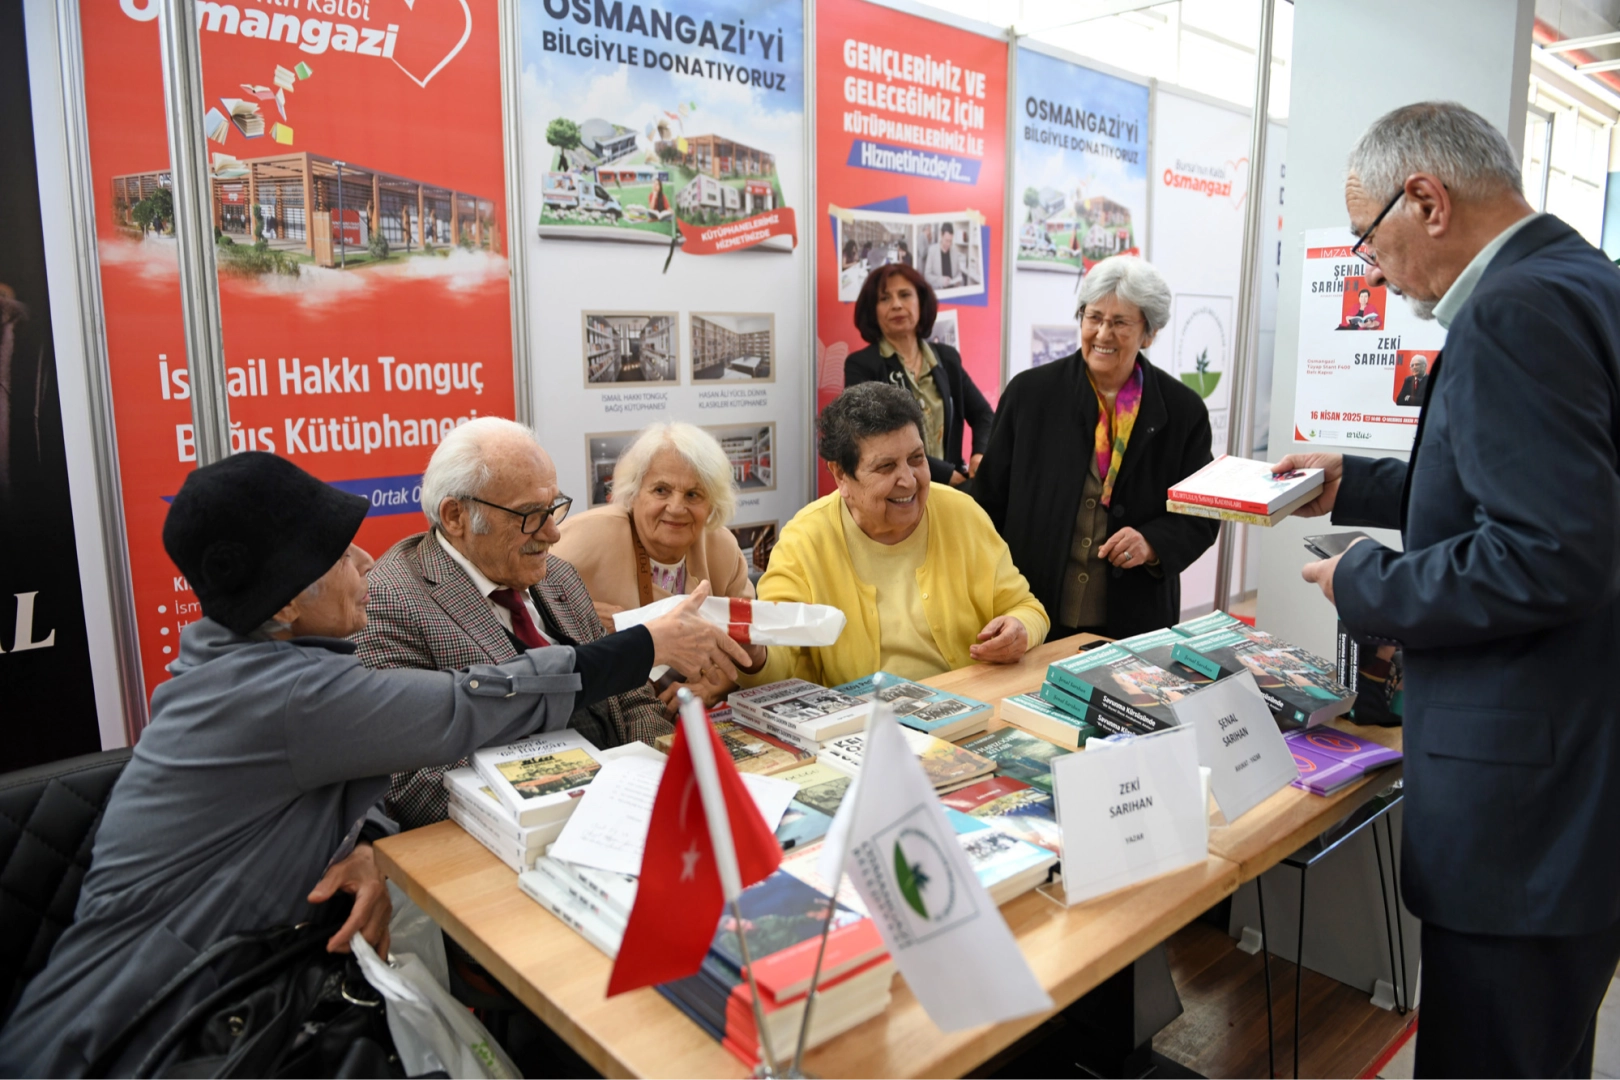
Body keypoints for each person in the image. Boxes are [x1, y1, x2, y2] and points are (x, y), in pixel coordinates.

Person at [0, 452, 741, 1079]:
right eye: (338, 554)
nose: (365, 562)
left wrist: (357, 844)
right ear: (287, 600)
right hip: (131, 1038)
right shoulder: (287, 693)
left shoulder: (243, 665)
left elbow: (299, 788)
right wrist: (649, 645)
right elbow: (473, 706)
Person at [1277, 102, 1620, 1080]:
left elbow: (1552, 551)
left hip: (1520, 818)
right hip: (1576, 788)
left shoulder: (1514, 311)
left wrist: (1366, 582)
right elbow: (1556, 480)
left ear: (1424, 200)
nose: (1368, 267)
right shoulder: (1582, 280)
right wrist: (1363, 477)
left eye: (1365, 237)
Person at [353, 417, 741, 830]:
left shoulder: (555, 576)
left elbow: (631, 699)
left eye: (553, 507)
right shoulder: (390, 601)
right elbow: (410, 783)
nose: (554, 534)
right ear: (455, 516)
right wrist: (582, 796)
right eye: (529, 515)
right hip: (521, 834)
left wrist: (654, 779)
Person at [974, 255, 1218, 640]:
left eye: (1120, 322)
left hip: (1134, 620)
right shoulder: (1031, 395)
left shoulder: (1182, 411)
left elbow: (1201, 516)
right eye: (1093, 317)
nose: (1103, 333)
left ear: (1149, 333)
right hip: (1033, 613)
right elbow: (988, 501)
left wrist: (1153, 542)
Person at [740, 382, 1047, 687]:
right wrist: (755, 655)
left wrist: (1020, 628)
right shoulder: (804, 541)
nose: (909, 480)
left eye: (916, 459)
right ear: (840, 475)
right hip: (865, 725)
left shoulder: (962, 513)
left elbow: (1027, 608)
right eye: (886, 467)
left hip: (971, 707)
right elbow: (780, 659)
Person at [553, 421, 754, 710]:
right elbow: (522, 605)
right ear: (633, 494)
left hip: (684, 719)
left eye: (693, 495)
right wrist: (577, 616)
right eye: (661, 490)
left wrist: (716, 685)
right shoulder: (589, 536)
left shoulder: (720, 547)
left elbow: (749, 641)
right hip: (602, 714)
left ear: (712, 503)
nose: (675, 507)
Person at [842, 263, 994, 487]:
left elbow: (984, 416)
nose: (896, 305)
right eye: (884, 298)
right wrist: (946, 474)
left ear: (921, 303)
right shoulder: (862, 366)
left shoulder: (947, 359)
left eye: (905, 295)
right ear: (872, 310)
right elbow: (878, 439)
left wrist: (979, 455)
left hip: (952, 490)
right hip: (895, 489)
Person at [922, 221, 963, 290]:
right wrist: (940, 281)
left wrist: (958, 281)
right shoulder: (932, 251)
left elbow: (958, 272)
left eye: (951, 241)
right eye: (946, 240)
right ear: (941, 235)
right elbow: (927, 275)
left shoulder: (955, 251)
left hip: (953, 291)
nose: (949, 244)